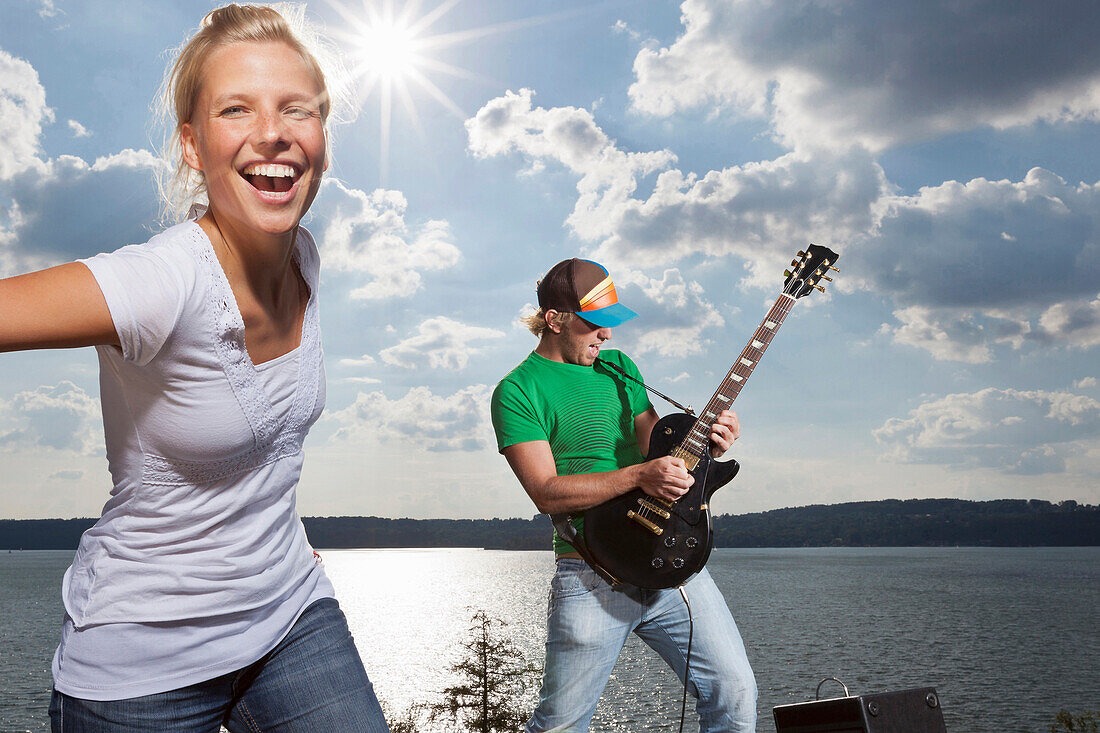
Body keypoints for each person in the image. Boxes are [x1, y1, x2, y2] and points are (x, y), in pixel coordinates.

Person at [0, 5, 389, 731]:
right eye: (235, 108)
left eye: (295, 109)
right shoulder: (163, 282)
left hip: (288, 614)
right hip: (142, 661)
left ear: (323, 140)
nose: (271, 131)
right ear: (191, 145)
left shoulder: (302, 253)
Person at [490, 258, 758, 732]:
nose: (607, 337)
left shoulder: (618, 368)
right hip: (591, 575)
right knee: (560, 726)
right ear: (555, 320)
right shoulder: (517, 391)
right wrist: (639, 477)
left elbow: (662, 452)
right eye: (595, 324)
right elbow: (546, 493)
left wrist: (707, 444)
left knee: (734, 694)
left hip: (671, 561)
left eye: (611, 325)